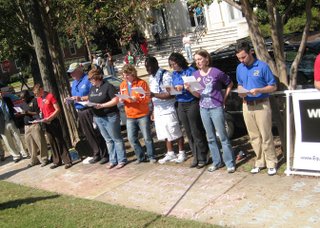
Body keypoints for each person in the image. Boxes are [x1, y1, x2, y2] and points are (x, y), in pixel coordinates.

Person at [235, 41, 277, 176]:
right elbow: (240, 84)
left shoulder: (263, 66)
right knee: (253, 136)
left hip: (261, 103)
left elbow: (273, 86)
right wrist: (240, 91)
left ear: (250, 52)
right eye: (239, 58)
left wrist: (259, 89)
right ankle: (260, 162)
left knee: (266, 135)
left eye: (243, 57)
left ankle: (271, 162)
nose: (242, 60)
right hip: (246, 105)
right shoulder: (239, 68)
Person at [191, 50, 235, 173]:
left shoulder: (216, 72)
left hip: (216, 107)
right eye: (196, 60)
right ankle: (217, 162)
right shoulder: (195, 75)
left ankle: (229, 163)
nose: (198, 62)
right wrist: (189, 89)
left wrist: (224, 99)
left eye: (200, 59)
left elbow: (229, 83)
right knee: (210, 137)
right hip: (203, 108)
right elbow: (197, 95)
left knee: (223, 136)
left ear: (206, 59)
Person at [168, 52, 209, 168]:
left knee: (196, 130)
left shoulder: (190, 71)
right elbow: (173, 89)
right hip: (181, 103)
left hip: (192, 102)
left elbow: (196, 88)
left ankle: (203, 156)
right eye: (171, 65)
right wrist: (173, 89)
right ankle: (196, 157)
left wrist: (185, 87)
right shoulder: (174, 74)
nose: (173, 66)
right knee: (188, 132)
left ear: (179, 61)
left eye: (174, 64)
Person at [145, 56, 185, 164]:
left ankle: (182, 152)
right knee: (164, 132)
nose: (147, 70)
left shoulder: (165, 75)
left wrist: (154, 95)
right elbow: (152, 96)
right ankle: (170, 152)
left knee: (174, 130)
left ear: (156, 64)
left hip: (168, 107)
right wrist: (153, 110)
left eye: (149, 67)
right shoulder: (151, 77)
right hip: (158, 109)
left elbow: (171, 94)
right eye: (146, 68)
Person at [66, 63, 108, 164]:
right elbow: (75, 96)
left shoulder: (88, 79)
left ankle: (105, 154)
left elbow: (94, 94)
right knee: (88, 134)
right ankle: (96, 153)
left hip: (90, 109)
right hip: (80, 111)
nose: (71, 74)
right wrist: (70, 99)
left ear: (79, 70)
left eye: (73, 72)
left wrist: (81, 98)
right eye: (70, 73)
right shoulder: (74, 83)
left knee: (96, 132)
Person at [87, 68, 127, 169]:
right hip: (98, 117)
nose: (90, 81)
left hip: (110, 116)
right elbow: (90, 99)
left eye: (91, 79)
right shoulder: (92, 88)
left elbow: (115, 100)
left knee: (116, 138)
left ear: (96, 77)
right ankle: (113, 160)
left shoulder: (108, 86)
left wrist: (103, 105)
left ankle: (121, 160)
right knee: (108, 140)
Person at [120, 64, 156, 164]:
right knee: (131, 138)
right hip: (130, 115)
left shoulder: (141, 83)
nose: (125, 77)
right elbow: (123, 96)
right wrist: (121, 100)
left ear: (132, 73)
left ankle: (151, 156)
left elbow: (147, 98)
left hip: (142, 114)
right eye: (123, 75)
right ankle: (141, 157)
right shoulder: (123, 84)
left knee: (147, 137)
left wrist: (137, 99)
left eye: (127, 75)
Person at [33, 84, 72, 169]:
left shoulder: (50, 96)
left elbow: (57, 109)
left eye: (37, 93)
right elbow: (41, 110)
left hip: (53, 121)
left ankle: (67, 161)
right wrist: (40, 119)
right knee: (51, 141)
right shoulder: (39, 99)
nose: (36, 96)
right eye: (35, 94)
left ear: (41, 90)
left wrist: (50, 117)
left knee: (59, 140)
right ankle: (57, 161)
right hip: (46, 122)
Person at [20, 90, 48, 167]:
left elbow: (38, 112)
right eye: (21, 98)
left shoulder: (34, 101)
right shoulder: (22, 104)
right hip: (26, 126)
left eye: (23, 98)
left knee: (40, 142)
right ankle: (34, 160)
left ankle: (45, 159)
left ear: (28, 96)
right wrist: (20, 114)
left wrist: (28, 113)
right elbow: (23, 113)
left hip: (35, 124)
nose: (22, 99)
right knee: (29, 144)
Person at [0, 91, 29, 162]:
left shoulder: (7, 99)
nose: (0, 94)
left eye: (0, 92)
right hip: (2, 124)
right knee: (8, 141)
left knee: (18, 138)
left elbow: (12, 108)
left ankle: (24, 153)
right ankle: (16, 156)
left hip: (11, 121)